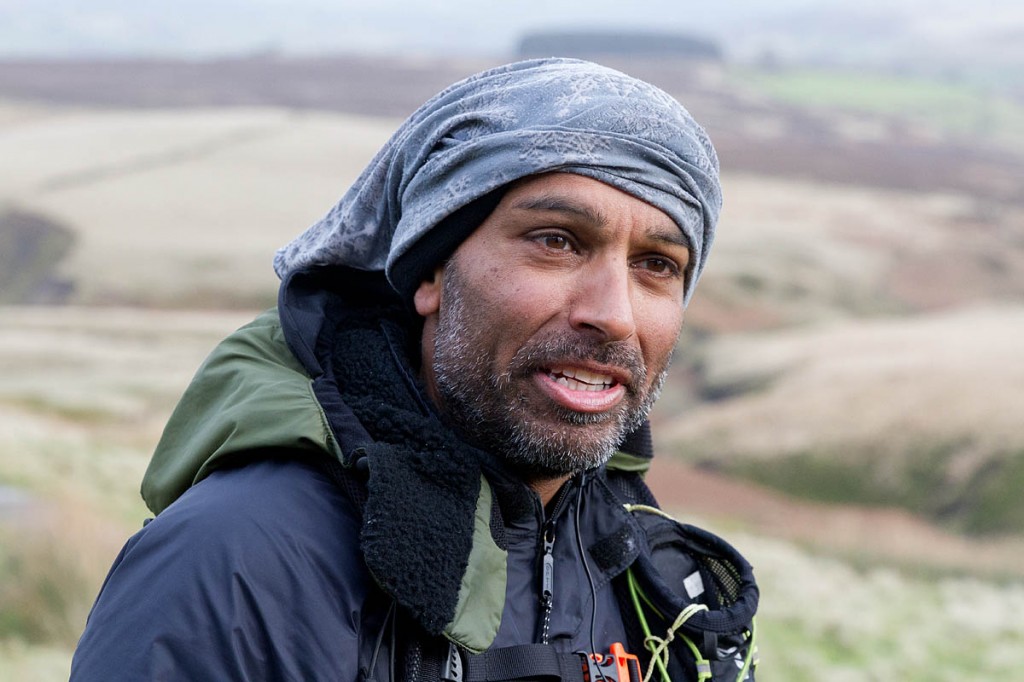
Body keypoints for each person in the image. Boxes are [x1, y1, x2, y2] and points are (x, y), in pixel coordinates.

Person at [71, 58, 759, 681]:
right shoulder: (236, 566)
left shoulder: (655, 576)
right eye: (556, 242)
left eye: (656, 265)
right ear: (429, 269)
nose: (613, 314)